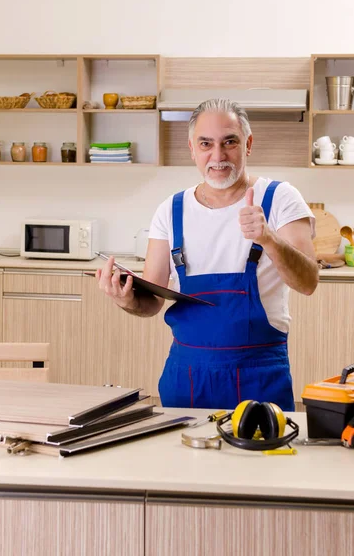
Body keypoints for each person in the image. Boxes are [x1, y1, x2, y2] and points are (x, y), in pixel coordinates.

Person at [96, 98, 319, 411]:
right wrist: (126, 299)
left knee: (265, 459)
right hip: (185, 377)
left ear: (248, 144)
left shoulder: (281, 198)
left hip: (259, 376)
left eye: (229, 142)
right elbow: (151, 301)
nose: (218, 156)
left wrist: (268, 238)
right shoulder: (171, 210)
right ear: (192, 148)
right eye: (206, 144)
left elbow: (308, 281)